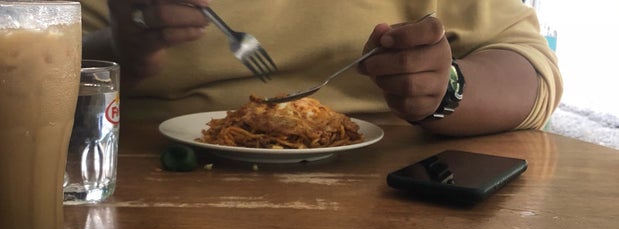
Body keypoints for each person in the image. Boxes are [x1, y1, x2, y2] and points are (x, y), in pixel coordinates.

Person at [79, 0, 562, 136]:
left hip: (394, 199)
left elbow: (531, 68)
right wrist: (119, 49)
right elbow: (12, 65)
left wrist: (445, 89)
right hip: (149, 192)